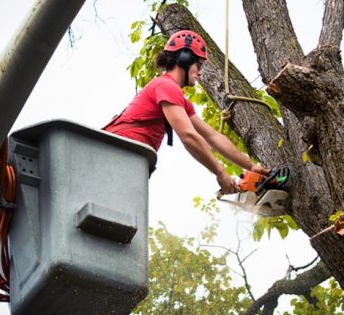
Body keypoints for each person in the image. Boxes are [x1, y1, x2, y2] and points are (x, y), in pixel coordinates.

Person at [104, 29, 267, 194]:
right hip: (114, 154)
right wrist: (220, 172)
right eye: (199, 65)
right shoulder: (166, 86)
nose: (200, 72)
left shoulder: (177, 98)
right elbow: (188, 136)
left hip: (127, 158)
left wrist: (251, 166)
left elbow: (212, 136)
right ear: (184, 59)